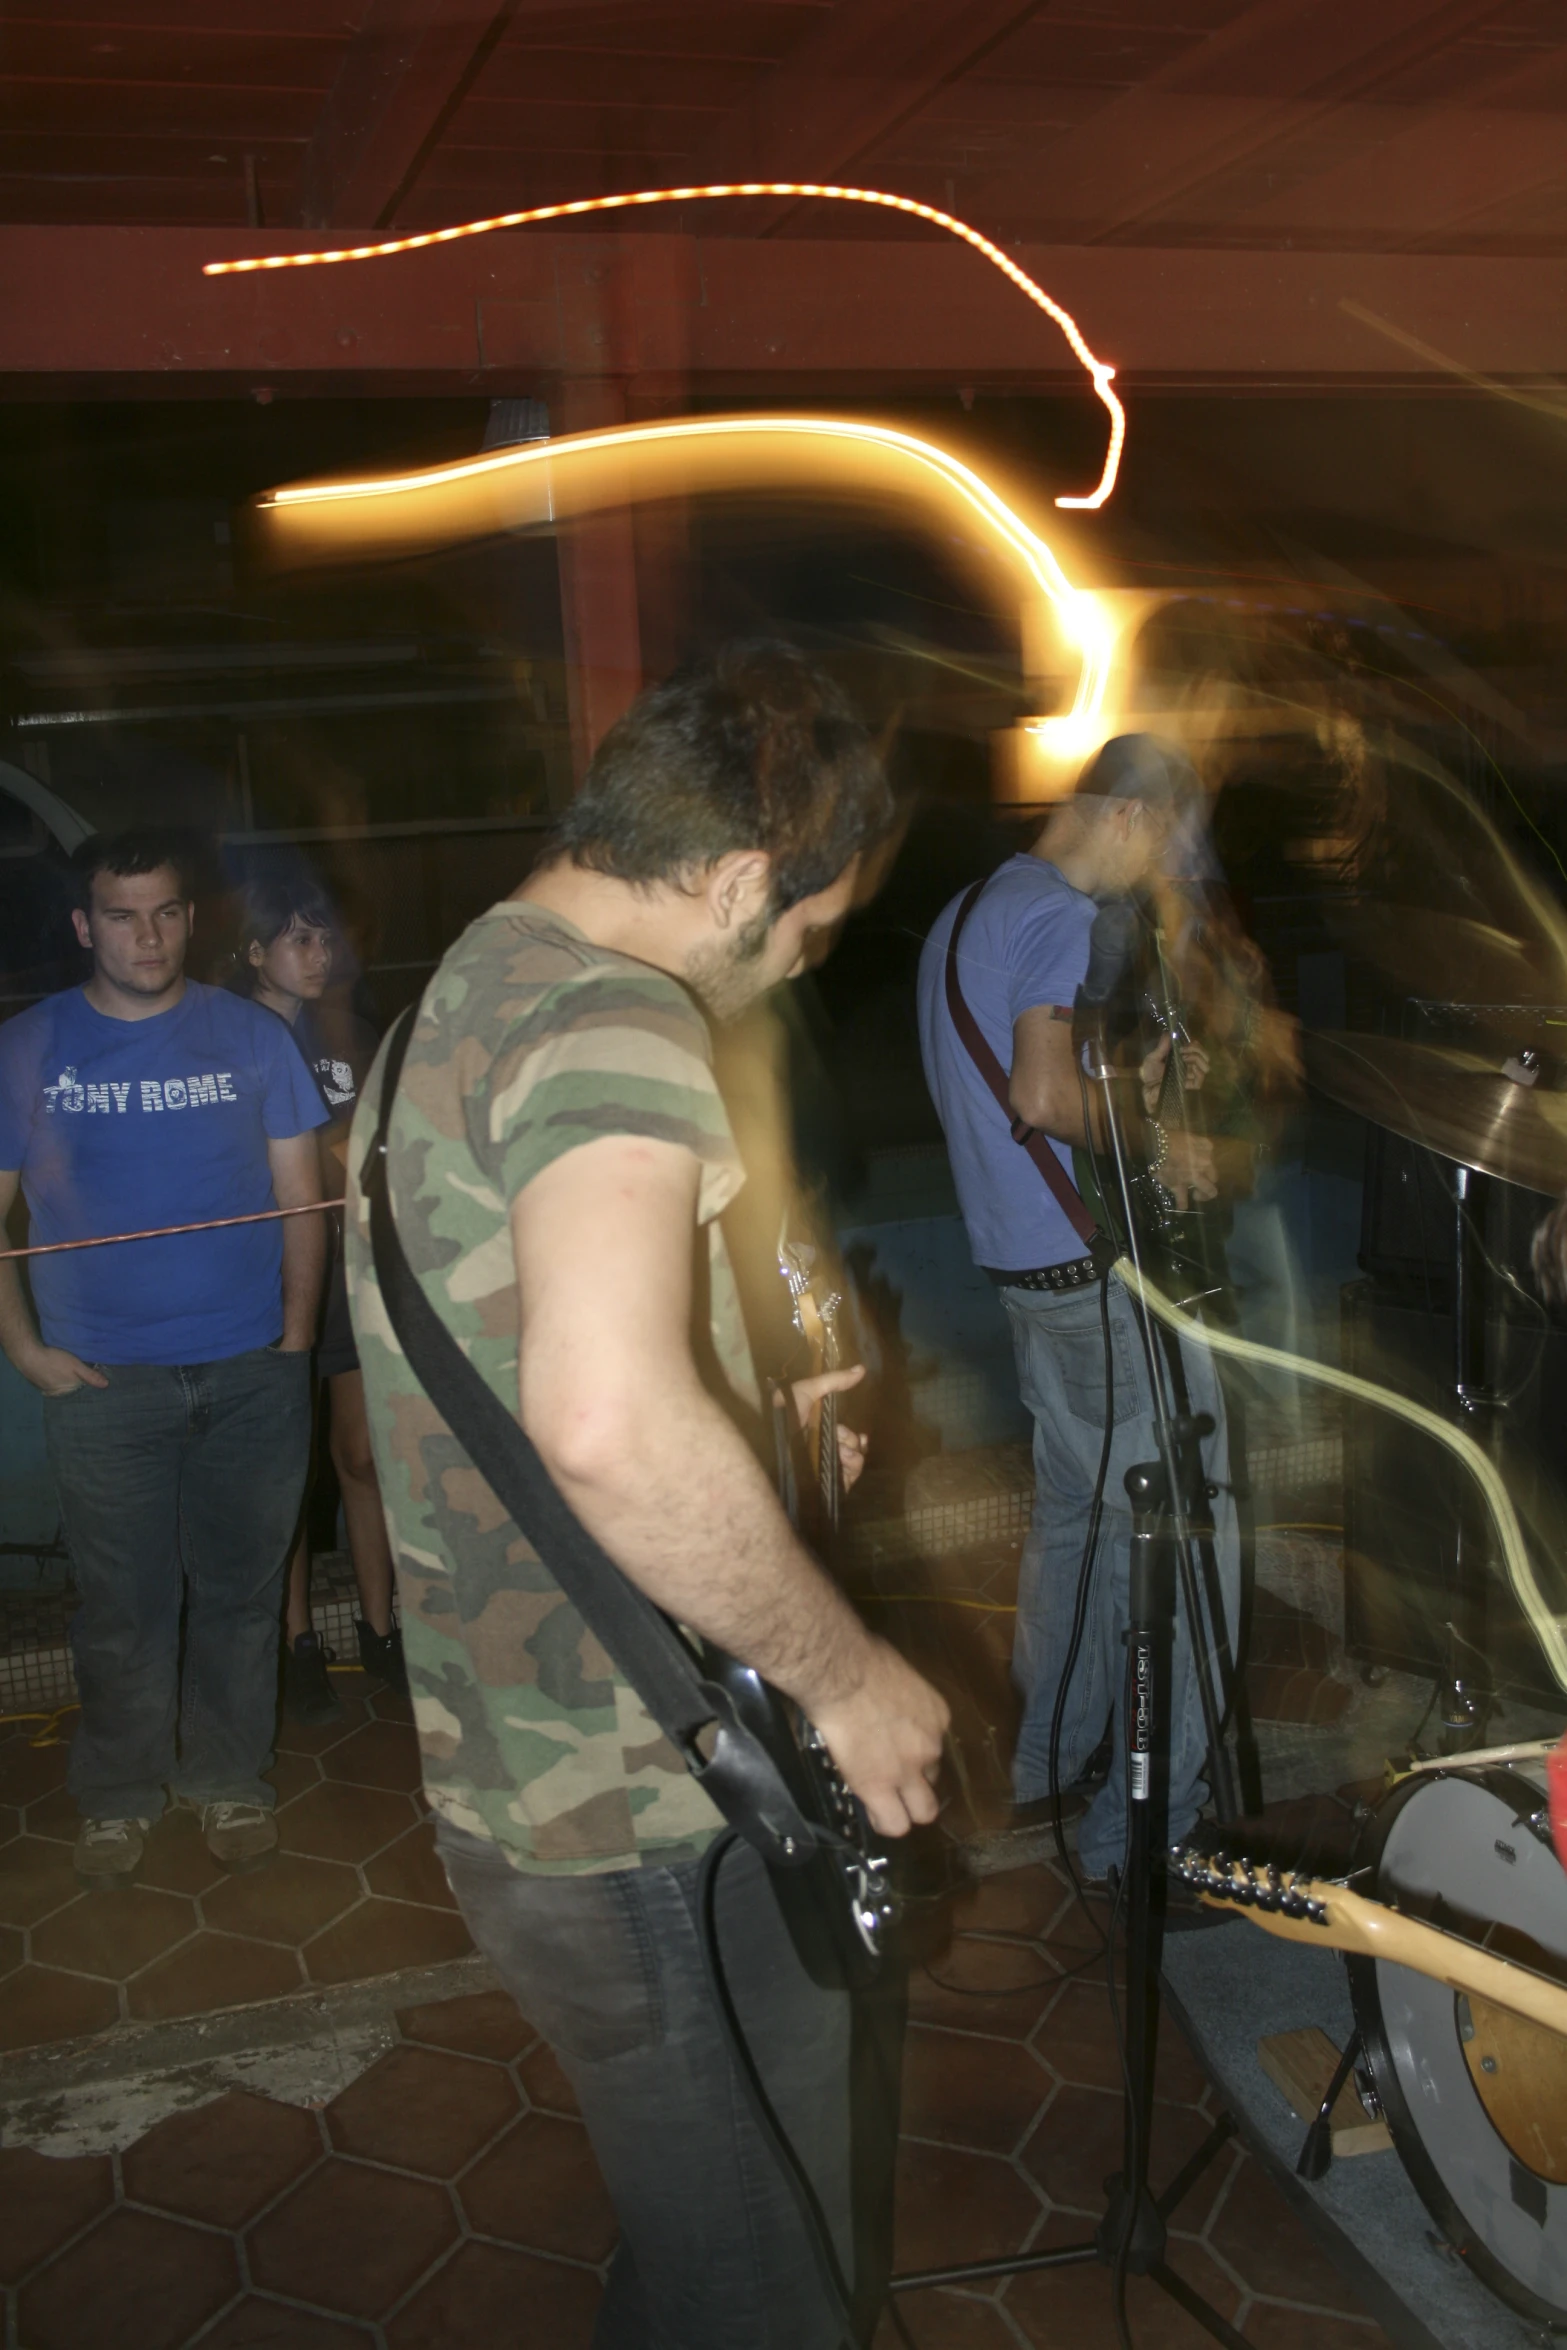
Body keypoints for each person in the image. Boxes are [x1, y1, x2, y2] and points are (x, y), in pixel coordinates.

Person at [345, 642, 949, 2350]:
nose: (793, 972)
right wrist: (846, 1675)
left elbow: (538, 1363)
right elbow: (603, 1419)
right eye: (812, 935)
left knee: (726, 2245)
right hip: (629, 1791)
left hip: (559, 1763)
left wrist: (751, 1440)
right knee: (770, 2296)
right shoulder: (616, 1012)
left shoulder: (460, 988)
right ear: (747, 877)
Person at [916, 734, 1239, 1887]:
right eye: (1167, 845)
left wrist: (1138, 1087)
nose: (1163, 874)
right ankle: (1149, 1832)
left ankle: (1046, 1762)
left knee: (1077, 1526)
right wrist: (1166, 1147)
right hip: (1092, 1287)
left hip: (1023, 1280)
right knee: (1189, 1527)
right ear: (1131, 818)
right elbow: (1042, 1095)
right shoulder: (1054, 911)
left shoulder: (965, 914)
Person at [0, 830, 328, 1885]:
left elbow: (301, 1200)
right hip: (103, 1382)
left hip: (250, 1370)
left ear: (192, 918)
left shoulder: (249, 1038)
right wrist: (28, 1351)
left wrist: (297, 1337)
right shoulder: (29, 1045)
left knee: (238, 1593)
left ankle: (229, 1778)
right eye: (124, 914)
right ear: (85, 925)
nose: (149, 934)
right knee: (123, 1606)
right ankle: (119, 1792)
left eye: (168, 911)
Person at [229, 875, 405, 1722]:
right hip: (270, 1280)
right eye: (295, 938)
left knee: (364, 1457)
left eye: (323, 936)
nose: (317, 952)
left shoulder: (355, 1036)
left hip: (357, 1280)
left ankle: (382, 1629)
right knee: (288, 1473)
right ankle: (296, 1641)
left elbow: (383, 1151)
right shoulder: (228, 1042)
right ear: (253, 952)